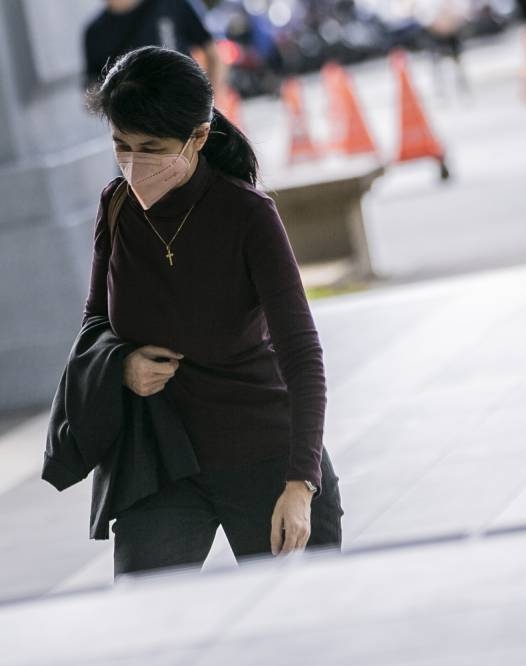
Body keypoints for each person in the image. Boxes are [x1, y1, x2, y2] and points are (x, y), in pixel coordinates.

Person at [82, 46, 344, 578]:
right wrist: (122, 365)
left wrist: (301, 484)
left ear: (198, 137)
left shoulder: (246, 216)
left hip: (264, 455)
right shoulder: (116, 208)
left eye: (151, 148)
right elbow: (94, 323)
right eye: (121, 146)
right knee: (149, 632)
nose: (134, 164)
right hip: (160, 464)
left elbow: (301, 352)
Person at [83, 0, 225, 93]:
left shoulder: (170, 4)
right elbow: (91, 88)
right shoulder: (94, 32)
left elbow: (213, 52)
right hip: (138, 127)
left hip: (189, 108)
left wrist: (211, 102)